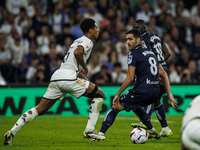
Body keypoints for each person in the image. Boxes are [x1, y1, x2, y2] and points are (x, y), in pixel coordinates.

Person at [3, 18, 105, 146]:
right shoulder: (88, 41)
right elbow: (77, 52)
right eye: (96, 28)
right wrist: (85, 68)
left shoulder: (77, 40)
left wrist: (79, 71)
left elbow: (72, 58)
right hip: (68, 78)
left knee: (40, 109)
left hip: (57, 76)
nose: (98, 30)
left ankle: (12, 132)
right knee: (99, 95)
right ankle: (89, 130)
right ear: (90, 30)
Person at [93, 29, 177, 141]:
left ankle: (100, 134)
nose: (127, 42)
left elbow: (130, 78)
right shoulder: (151, 52)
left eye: (130, 39)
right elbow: (164, 74)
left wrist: (118, 94)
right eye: (126, 39)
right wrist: (170, 94)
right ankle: (152, 131)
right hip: (155, 92)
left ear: (138, 40)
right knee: (135, 106)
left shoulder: (133, 54)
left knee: (116, 107)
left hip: (142, 91)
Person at [132, 19, 173, 137]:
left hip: (155, 70)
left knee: (150, 95)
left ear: (143, 28)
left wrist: (155, 68)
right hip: (162, 68)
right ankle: (165, 128)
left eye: (137, 28)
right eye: (133, 28)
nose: (135, 31)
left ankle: (146, 120)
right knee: (156, 100)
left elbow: (148, 56)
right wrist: (162, 65)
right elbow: (167, 53)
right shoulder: (155, 36)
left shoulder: (143, 39)